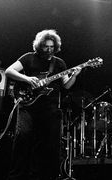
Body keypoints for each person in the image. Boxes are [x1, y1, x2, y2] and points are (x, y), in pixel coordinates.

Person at [5, 29, 82, 180]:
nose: (49, 49)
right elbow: (9, 71)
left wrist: (74, 75)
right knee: (23, 137)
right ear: (40, 46)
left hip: (50, 109)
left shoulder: (59, 63)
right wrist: (27, 79)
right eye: (46, 46)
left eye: (52, 47)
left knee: (48, 144)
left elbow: (66, 85)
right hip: (27, 106)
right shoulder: (28, 58)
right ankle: (17, 175)